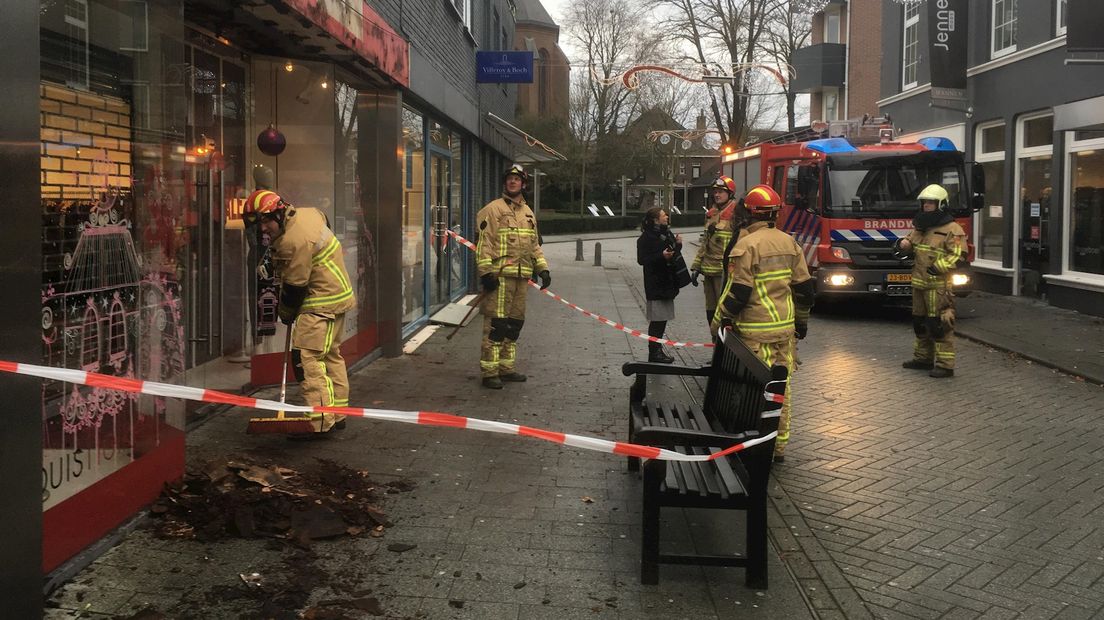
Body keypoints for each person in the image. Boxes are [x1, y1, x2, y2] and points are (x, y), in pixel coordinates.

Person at [712, 185, 814, 463]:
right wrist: (800, 324)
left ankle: (752, 445)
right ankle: (777, 447)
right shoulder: (790, 243)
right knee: (783, 387)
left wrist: (720, 321)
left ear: (748, 213)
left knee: (753, 389)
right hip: (785, 331)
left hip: (755, 333)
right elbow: (805, 290)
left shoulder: (746, 245)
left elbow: (739, 294)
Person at [244, 189, 355, 434]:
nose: (263, 229)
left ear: (280, 214)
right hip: (337, 295)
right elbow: (322, 220)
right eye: (258, 224)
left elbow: (295, 288)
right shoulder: (306, 213)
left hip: (320, 302)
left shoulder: (294, 242)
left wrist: (285, 313)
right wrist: (274, 260)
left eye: (266, 221)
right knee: (329, 355)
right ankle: (338, 413)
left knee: (306, 358)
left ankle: (320, 421)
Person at [475, 164, 551, 389]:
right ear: (505, 182)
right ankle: (490, 372)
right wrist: (486, 273)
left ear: (523, 184)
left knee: (514, 324)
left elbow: (534, 245)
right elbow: (484, 244)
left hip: (521, 279)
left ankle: (506, 368)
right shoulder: (493, 209)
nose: (512, 182)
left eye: (517, 179)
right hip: (500, 278)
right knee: (497, 324)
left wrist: (542, 269)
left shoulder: (528, 213)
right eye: (509, 178)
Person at [895, 183, 966, 378]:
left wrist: (938, 267)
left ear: (941, 204)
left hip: (938, 287)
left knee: (939, 324)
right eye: (924, 202)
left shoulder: (953, 229)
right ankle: (923, 359)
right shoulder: (920, 226)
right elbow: (910, 245)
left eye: (930, 203)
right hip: (918, 284)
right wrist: (904, 245)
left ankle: (945, 365)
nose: (926, 206)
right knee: (919, 323)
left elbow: (959, 255)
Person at [691, 176, 748, 325]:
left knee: (723, 312)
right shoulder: (712, 213)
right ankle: (715, 342)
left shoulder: (737, 214)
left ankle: (723, 344)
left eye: (721, 192)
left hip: (724, 273)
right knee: (711, 311)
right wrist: (697, 266)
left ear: (730, 194)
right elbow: (705, 243)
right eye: (715, 191)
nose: (717, 195)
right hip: (708, 272)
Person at [637, 207, 684, 363]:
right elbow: (642, 260)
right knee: (657, 320)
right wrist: (661, 256)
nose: (667, 217)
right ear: (656, 220)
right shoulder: (646, 238)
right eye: (664, 215)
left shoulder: (666, 233)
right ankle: (654, 352)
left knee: (662, 319)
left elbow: (672, 252)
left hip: (667, 283)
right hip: (656, 284)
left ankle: (657, 350)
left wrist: (677, 245)